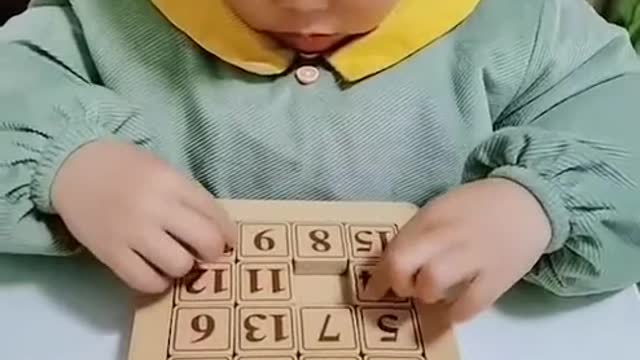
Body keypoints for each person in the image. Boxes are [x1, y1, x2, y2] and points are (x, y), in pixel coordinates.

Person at [1, 0, 640, 323]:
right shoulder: (103, 18)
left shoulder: (527, 26)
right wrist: (63, 162)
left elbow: (621, 128)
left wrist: (538, 203)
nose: (306, 6)